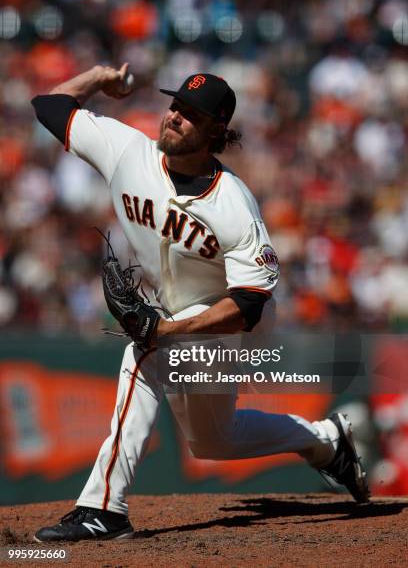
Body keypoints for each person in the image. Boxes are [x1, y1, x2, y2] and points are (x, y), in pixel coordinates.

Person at [31, 64, 369, 542]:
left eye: (191, 114)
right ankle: (327, 441)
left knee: (145, 352)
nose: (175, 117)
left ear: (216, 131)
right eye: (175, 106)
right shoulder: (128, 151)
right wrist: (100, 77)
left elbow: (248, 306)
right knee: (213, 440)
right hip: (180, 315)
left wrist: (164, 333)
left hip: (236, 323)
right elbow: (51, 105)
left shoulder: (233, 203)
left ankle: (103, 508)